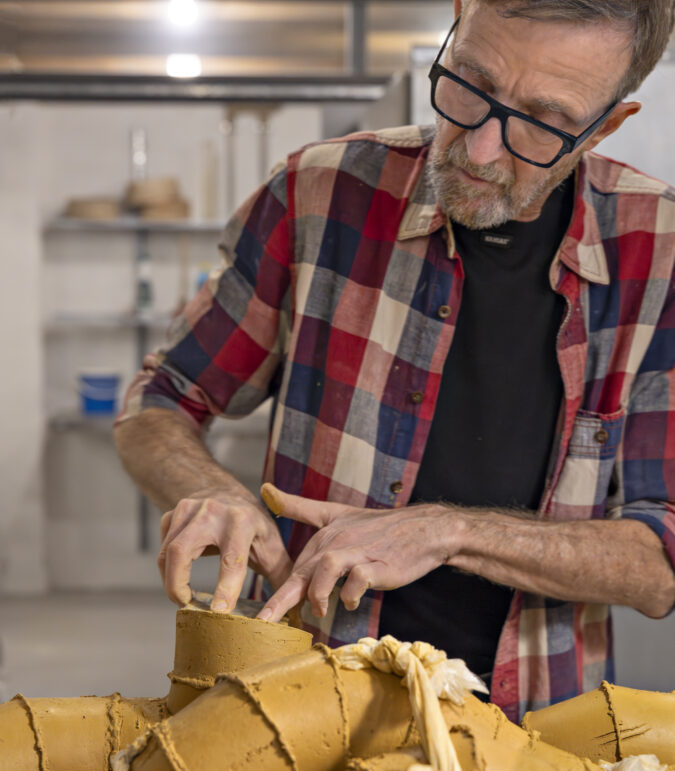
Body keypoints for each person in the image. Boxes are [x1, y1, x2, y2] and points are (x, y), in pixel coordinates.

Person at [115, 0, 675, 721]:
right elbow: (159, 398)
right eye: (467, 85)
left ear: (605, 126)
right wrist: (211, 490)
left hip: (532, 730)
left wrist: (446, 531)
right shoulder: (317, 194)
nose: (475, 149)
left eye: (538, 122)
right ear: (455, 21)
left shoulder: (658, 249)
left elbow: (660, 564)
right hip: (295, 707)